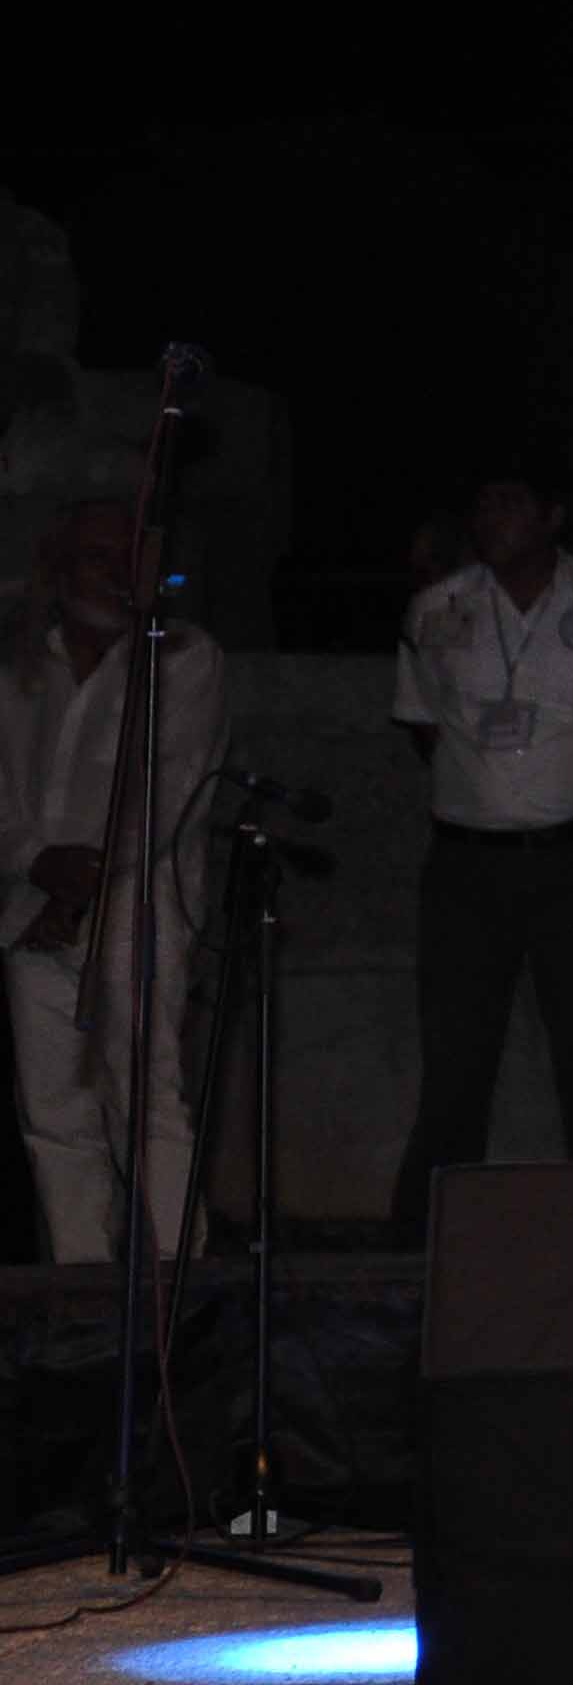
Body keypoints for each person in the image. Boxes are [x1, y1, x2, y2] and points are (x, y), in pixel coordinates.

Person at [387, 468, 573, 1234]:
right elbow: (422, 723)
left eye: (509, 502)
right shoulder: (437, 610)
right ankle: (426, 1244)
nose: (491, 517)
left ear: (552, 515)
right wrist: (493, 788)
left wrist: (567, 779)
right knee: (455, 1058)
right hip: (466, 865)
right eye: (482, 503)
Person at [0, 499, 224, 1261]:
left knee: (144, 1094)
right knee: (53, 1112)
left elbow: (165, 794)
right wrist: (38, 864)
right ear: (59, 569)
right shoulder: (22, 666)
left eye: (132, 556)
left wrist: (78, 886)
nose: (119, 572)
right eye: (99, 556)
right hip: (31, 906)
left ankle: (172, 1283)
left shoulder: (182, 658)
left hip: (136, 904)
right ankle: (81, 1278)